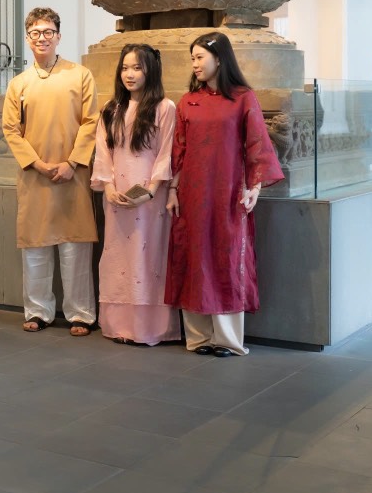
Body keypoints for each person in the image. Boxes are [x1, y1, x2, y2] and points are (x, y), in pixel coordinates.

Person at [164, 31, 284, 357]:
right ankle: (198, 338)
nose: (194, 64)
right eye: (192, 58)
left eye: (199, 57)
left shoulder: (243, 98)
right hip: (191, 193)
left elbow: (257, 144)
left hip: (229, 192)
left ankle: (228, 339)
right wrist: (173, 190)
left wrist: (254, 187)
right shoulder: (188, 101)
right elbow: (179, 151)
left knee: (227, 259)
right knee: (194, 258)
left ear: (219, 59)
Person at [2, 7, 99, 335]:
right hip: (35, 176)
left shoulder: (80, 75)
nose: (41, 38)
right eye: (35, 33)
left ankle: (80, 314)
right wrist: (37, 164)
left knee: (75, 247)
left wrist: (72, 163)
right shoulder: (18, 84)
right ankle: (38, 311)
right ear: (27, 38)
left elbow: (91, 121)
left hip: (73, 175)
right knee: (35, 247)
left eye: (47, 32)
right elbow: (10, 129)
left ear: (58, 36)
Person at [90, 44, 181, 346]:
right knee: (118, 258)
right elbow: (103, 152)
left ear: (150, 70)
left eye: (137, 68)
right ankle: (119, 326)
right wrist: (108, 187)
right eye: (125, 68)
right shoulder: (111, 109)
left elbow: (166, 152)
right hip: (116, 195)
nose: (129, 74)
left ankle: (149, 329)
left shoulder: (165, 108)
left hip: (151, 198)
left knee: (149, 259)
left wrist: (152, 191)